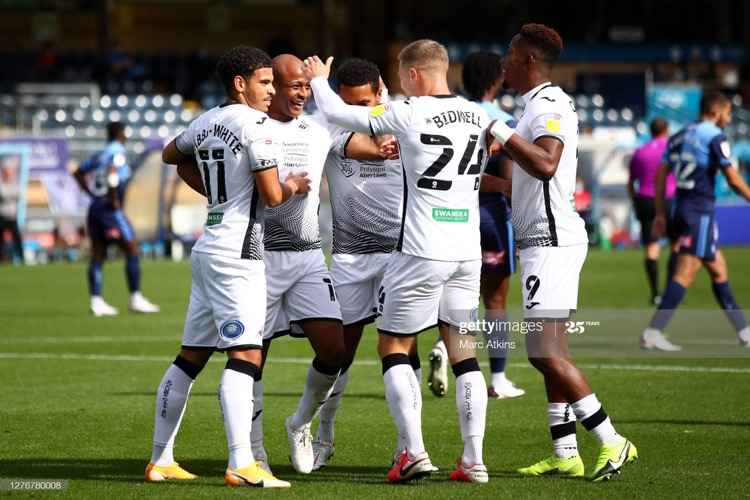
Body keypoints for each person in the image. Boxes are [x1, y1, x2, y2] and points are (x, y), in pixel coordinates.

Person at [303, 39, 491, 484]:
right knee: (463, 354)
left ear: (406, 77)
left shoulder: (407, 113)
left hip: (415, 251)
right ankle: (473, 460)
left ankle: (412, 452)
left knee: (393, 347)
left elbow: (344, 115)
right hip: (463, 251)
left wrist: (316, 80)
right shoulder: (479, 114)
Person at [145, 45, 310, 488]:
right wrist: (293, 184)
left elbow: (169, 155)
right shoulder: (257, 124)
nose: (271, 90)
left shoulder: (206, 119)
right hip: (239, 254)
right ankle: (241, 461)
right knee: (247, 353)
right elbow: (274, 197)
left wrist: (217, 197)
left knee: (189, 358)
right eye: (264, 81)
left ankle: (161, 459)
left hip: (209, 247)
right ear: (240, 84)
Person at [488, 23, 637, 482]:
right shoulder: (535, 105)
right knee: (552, 349)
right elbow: (522, 185)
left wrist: (497, 128)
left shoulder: (548, 104)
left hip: (551, 242)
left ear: (528, 60)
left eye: (510, 52)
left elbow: (547, 165)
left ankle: (613, 442)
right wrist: (481, 181)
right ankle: (565, 451)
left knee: (542, 351)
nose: (504, 60)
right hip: (542, 241)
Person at [306, 58, 407, 470]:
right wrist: (379, 144)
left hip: (401, 255)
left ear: (381, 90)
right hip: (349, 256)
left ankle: (407, 445)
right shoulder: (328, 119)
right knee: (339, 352)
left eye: (364, 103)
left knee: (401, 351)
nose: (357, 114)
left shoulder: (405, 115)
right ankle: (323, 434)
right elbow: (357, 143)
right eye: (349, 105)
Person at [249, 54, 344, 476]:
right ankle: (253, 451)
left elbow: (352, 141)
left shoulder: (318, 129)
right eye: (294, 87)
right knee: (252, 358)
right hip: (259, 259)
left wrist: (382, 147)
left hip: (307, 256)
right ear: (273, 87)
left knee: (334, 350)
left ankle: (299, 425)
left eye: (306, 87)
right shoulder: (248, 126)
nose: (302, 94)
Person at [428, 51, 525, 401]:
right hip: (493, 218)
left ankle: (443, 344)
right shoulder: (503, 120)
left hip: (454, 219)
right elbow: (509, 182)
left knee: (458, 296)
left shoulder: (454, 116)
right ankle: (497, 377)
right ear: (496, 80)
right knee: (495, 301)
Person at [641, 91, 750, 351]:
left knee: (718, 269)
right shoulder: (714, 136)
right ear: (715, 111)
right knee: (685, 274)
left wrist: (659, 213)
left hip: (680, 209)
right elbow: (733, 179)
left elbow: (660, 177)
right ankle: (653, 332)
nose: (728, 118)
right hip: (698, 213)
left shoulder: (678, 136)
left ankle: (744, 332)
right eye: (727, 113)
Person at [73, 122, 160, 316]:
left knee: (98, 253)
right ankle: (135, 298)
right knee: (132, 248)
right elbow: (112, 173)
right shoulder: (118, 152)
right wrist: (113, 199)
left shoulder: (100, 153)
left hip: (95, 206)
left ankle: (96, 301)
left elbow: (78, 172)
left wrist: (92, 193)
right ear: (121, 133)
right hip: (109, 209)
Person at [628, 117, 678, 305]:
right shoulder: (671, 149)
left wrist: (635, 200)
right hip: (668, 199)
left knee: (651, 248)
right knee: (677, 244)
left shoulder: (640, 152)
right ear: (666, 130)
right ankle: (670, 292)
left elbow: (631, 182)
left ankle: (655, 293)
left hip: (646, 200)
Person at [0, 163, 23, 264]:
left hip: (12, 215)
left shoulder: (15, 184)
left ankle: (21, 257)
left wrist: (9, 197)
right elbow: (3, 195)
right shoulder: (1, 184)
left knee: (17, 237)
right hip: (3, 215)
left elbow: (19, 194)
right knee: (1, 238)